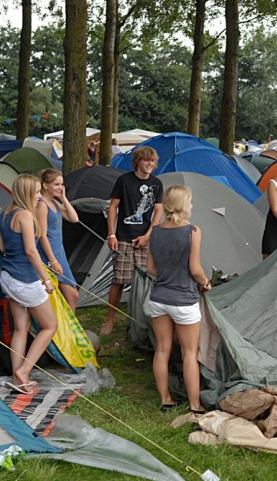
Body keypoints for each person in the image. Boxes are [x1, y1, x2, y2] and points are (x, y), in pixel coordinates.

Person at [146, 186, 211, 413]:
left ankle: (165, 399)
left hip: (158, 298)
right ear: (184, 204)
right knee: (189, 353)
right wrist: (205, 282)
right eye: (190, 201)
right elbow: (195, 269)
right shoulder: (192, 231)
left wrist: (167, 274)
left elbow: (151, 268)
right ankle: (195, 405)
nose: (192, 206)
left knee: (162, 350)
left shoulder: (154, 231)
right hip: (183, 300)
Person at [0, 174, 58, 394]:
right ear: (27, 193)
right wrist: (46, 279)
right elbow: (32, 251)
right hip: (26, 279)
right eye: (37, 192)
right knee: (50, 326)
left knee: (21, 328)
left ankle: (18, 377)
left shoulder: (4, 214)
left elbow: (2, 248)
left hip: (8, 277)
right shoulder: (25, 215)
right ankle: (25, 370)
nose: (40, 197)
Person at [102, 146, 164, 336]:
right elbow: (113, 207)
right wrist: (112, 234)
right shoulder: (124, 180)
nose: (149, 164)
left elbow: (159, 211)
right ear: (138, 161)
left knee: (146, 282)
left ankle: (142, 321)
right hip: (123, 237)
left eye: (152, 161)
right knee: (119, 280)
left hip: (145, 239)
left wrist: (148, 236)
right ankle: (110, 319)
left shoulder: (157, 184)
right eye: (146, 160)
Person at [37, 169, 80, 312]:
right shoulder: (42, 205)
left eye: (61, 184)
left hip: (59, 252)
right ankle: (67, 330)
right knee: (70, 295)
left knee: (72, 295)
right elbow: (42, 235)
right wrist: (53, 260)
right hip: (50, 255)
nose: (60, 187)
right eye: (56, 184)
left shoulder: (54, 203)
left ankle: (68, 329)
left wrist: (64, 199)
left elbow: (74, 219)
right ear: (45, 185)